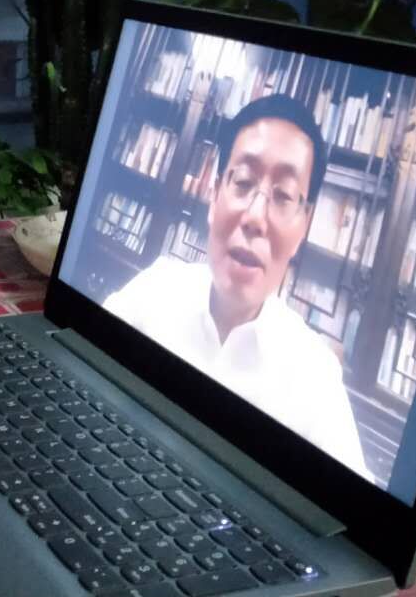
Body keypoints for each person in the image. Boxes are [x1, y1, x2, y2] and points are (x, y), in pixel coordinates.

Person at [103, 93, 370, 479]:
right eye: (243, 182)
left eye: (283, 196)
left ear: (304, 226)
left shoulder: (315, 378)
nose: (255, 217)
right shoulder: (156, 289)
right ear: (214, 197)